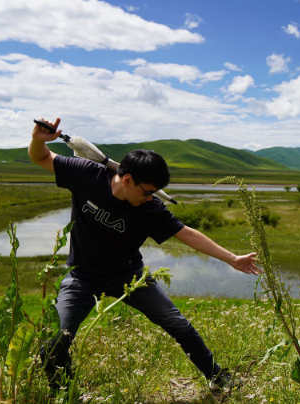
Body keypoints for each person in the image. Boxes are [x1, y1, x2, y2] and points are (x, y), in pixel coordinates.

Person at [29, 118, 259, 392]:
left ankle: (217, 376)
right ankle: (65, 394)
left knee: (179, 325)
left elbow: (186, 233)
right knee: (53, 343)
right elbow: (41, 157)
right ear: (127, 180)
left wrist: (233, 259)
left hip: (129, 277)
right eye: (149, 191)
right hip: (81, 278)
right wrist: (37, 139)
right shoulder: (85, 173)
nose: (153, 197)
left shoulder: (150, 208)